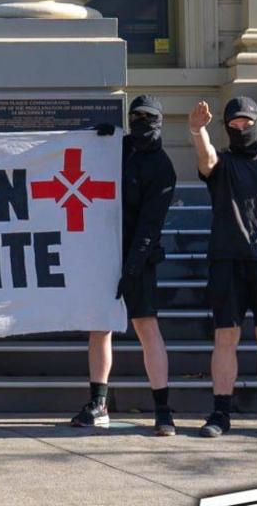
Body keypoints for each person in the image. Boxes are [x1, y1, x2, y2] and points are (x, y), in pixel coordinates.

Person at [188, 96, 257, 440]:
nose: (240, 129)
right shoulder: (221, 164)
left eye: (246, 123)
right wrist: (197, 131)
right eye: (233, 124)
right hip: (227, 260)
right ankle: (220, 413)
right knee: (226, 337)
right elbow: (206, 160)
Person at [70, 95, 177, 435]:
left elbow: (151, 224)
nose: (141, 122)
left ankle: (163, 409)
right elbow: (81, 155)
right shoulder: (118, 147)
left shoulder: (162, 167)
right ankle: (98, 403)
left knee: (147, 328)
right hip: (104, 252)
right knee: (100, 328)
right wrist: (92, 137)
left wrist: (131, 269)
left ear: (159, 120)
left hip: (140, 258)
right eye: (136, 116)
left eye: (149, 116)